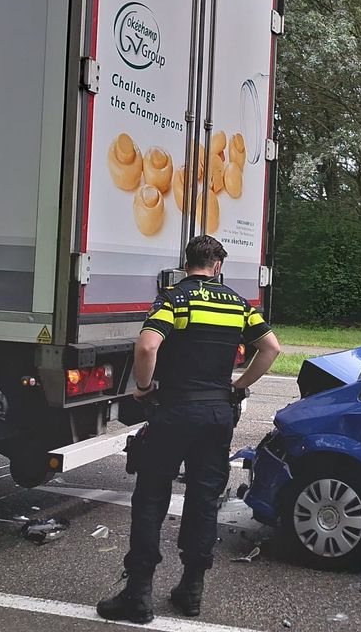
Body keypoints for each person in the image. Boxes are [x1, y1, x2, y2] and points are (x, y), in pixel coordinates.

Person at [97, 235, 280, 622]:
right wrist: (238, 386)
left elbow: (147, 347)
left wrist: (144, 389)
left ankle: (138, 595)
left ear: (188, 263)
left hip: (175, 411)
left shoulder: (175, 299)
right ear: (217, 266)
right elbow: (271, 348)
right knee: (203, 500)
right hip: (217, 415)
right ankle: (191, 590)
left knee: (150, 500)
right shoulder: (238, 303)